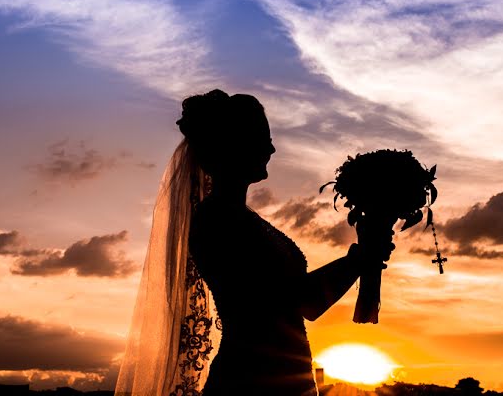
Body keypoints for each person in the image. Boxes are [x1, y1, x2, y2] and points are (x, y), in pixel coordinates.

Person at [114, 89, 394, 396]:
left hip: (281, 375)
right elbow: (304, 301)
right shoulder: (219, 222)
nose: (272, 148)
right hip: (252, 379)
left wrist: (365, 251)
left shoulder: (240, 218)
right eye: (263, 137)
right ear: (233, 145)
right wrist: (360, 258)